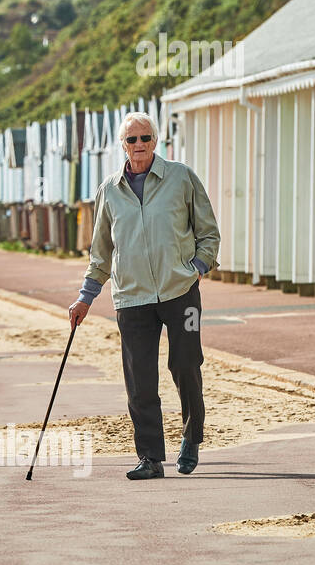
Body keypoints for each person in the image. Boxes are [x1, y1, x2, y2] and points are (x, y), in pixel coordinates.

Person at [68, 112, 220, 481]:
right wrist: (85, 298)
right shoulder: (109, 190)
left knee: (185, 366)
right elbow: (101, 252)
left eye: (146, 138)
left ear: (156, 141)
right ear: (122, 145)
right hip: (131, 298)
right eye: (132, 140)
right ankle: (150, 457)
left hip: (179, 291)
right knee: (140, 380)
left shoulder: (181, 177)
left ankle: (191, 436)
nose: (139, 146)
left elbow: (208, 232)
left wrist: (197, 268)